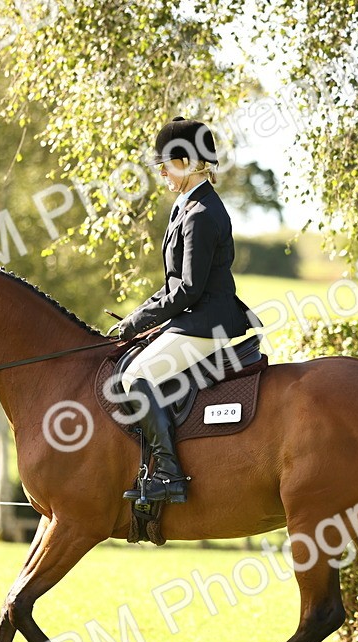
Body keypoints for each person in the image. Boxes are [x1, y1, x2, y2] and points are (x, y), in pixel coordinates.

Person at [114, 117, 257, 505]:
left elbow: (187, 289)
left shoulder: (201, 213)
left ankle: (169, 474)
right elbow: (172, 285)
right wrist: (136, 316)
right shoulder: (188, 206)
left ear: (190, 162)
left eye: (166, 164)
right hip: (194, 318)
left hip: (206, 323)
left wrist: (141, 320)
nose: (161, 172)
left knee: (135, 377)